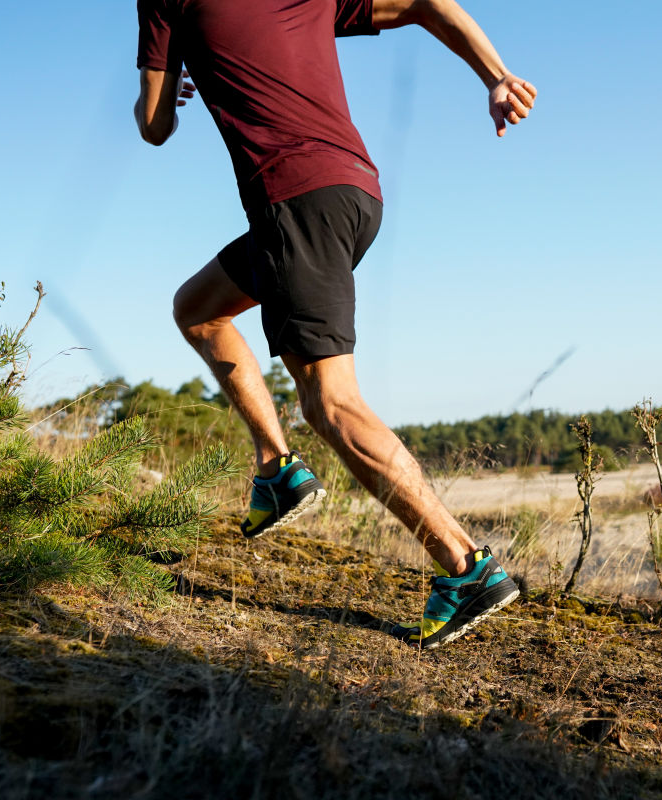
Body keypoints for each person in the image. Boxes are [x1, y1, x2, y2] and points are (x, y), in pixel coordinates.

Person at [134, 0, 536, 649]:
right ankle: (278, 469)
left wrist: (173, 77)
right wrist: (495, 75)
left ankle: (465, 567)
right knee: (198, 309)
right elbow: (424, 3)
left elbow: (152, 126)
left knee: (331, 403)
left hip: (293, 201)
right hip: (352, 191)